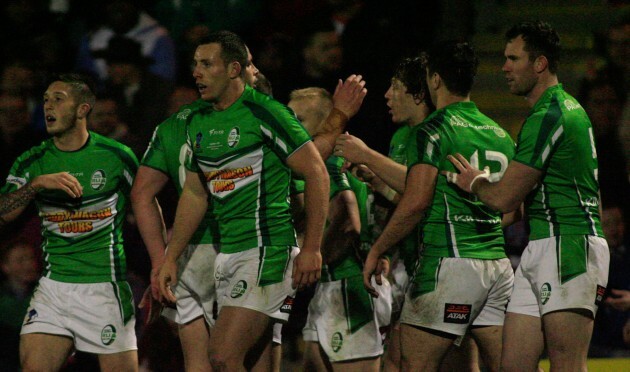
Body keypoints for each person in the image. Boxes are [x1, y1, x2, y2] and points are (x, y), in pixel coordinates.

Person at [154, 30, 329, 371]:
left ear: (234, 69)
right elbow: (194, 193)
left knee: (220, 356)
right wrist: (170, 257)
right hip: (228, 255)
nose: (196, 73)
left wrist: (312, 247)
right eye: (195, 64)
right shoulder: (200, 122)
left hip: (266, 250)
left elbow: (317, 173)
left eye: (207, 64)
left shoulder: (265, 113)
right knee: (255, 364)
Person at [444, 21, 610, 371]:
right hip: (542, 245)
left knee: (566, 364)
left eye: (513, 58)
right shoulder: (551, 112)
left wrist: (473, 182)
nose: (504, 67)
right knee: (514, 365)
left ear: (540, 63)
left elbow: (504, 198)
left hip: (570, 246)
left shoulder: (552, 114)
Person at [362, 41, 515, 371]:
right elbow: (512, 209)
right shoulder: (501, 134)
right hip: (498, 267)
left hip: (449, 265)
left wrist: (378, 249)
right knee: (512, 365)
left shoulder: (432, 130)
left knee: (413, 364)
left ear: (434, 79)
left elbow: (416, 202)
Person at [0, 74, 139, 371]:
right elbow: (3, 213)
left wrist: (163, 264)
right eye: (46, 100)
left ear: (82, 109)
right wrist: (35, 185)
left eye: (58, 99)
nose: (48, 105)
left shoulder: (117, 156)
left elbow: (147, 206)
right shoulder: (32, 161)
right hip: (55, 289)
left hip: (104, 287)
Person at [289, 87, 391, 371]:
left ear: (324, 124)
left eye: (299, 119)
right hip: (331, 288)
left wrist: (313, 256)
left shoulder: (327, 162)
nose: (291, 126)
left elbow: (347, 215)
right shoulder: (337, 158)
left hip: (348, 287)